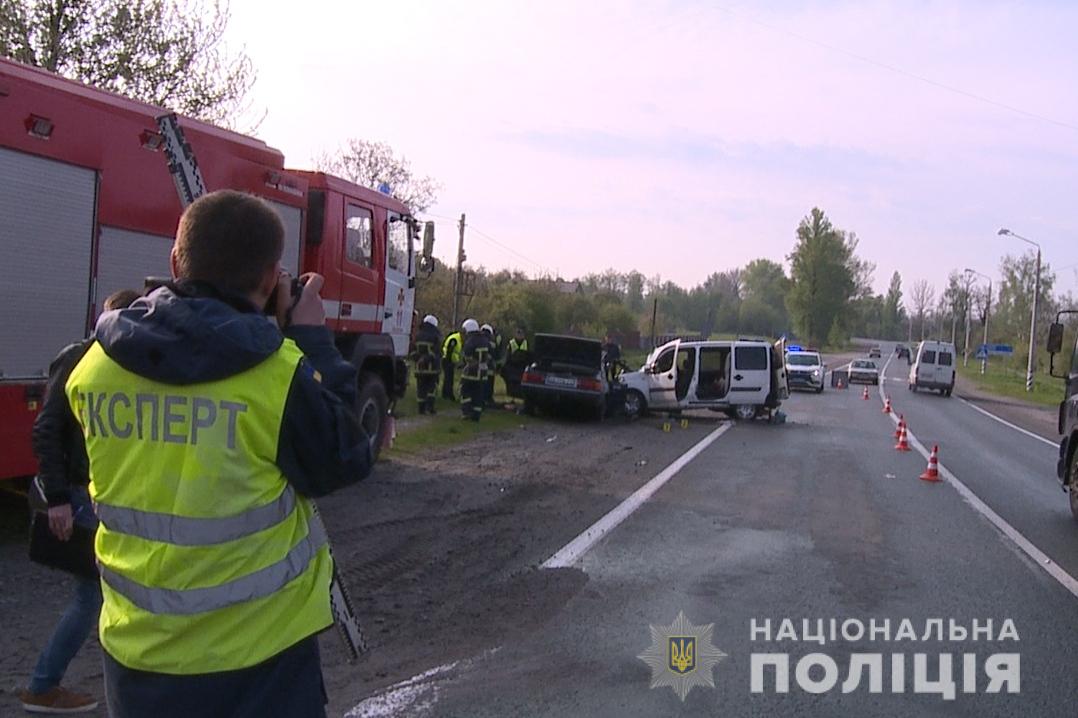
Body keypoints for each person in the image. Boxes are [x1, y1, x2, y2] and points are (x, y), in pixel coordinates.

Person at [64, 190, 373, 718]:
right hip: (261, 663)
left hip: (137, 660)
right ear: (273, 277)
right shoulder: (277, 379)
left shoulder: (94, 369)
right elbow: (345, 458)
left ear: (174, 261)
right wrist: (314, 340)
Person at [19, 289, 140, 715]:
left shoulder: (119, 362)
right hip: (78, 492)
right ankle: (42, 685)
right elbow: (46, 430)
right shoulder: (80, 359)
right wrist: (58, 499)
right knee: (93, 595)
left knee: (106, 593)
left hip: (98, 495)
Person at [459, 318, 489, 421]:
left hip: (471, 372)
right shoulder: (485, 340)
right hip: (483, 373)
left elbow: (467, 356)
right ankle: (476, 416)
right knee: (478, 394)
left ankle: (466, 413)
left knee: (465, 391)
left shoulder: (470, 341)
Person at [412, 314, 442, 414]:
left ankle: (421, 409)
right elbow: (437, 351)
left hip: (419, 368)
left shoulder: (418, 335)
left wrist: (418, 359)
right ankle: (430, 408)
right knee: (431, 389)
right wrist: (426, 359)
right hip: (432, 368)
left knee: (421, 389)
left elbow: (412, 351)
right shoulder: (435, 336)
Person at [502, 327, 530, 401]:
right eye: (518, 334)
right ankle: (512, 397)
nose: (520, 336)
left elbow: (528, 355)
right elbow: (508, 355)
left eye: (521, 334)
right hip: (513, 366)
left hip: (522, 366)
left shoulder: (526, 343)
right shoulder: (511, 343)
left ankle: (520, 396)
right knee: (512, 383)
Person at [480, 323, 500, 408]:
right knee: (489, 385)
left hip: (481, 368)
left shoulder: (479, 340)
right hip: (490, 368)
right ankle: (488, 399)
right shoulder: (492, 343)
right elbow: (496, 356)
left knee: (482, 385)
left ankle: (483, 399)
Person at [441, 326, 462, 401]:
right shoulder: (455, 339)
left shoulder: (457, 338)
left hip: (449, 361)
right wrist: (450, 361)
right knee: (449, 379)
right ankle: (448, 395)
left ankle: (445, 394)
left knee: (448, 378)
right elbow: (450, 351)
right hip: (447, 360)